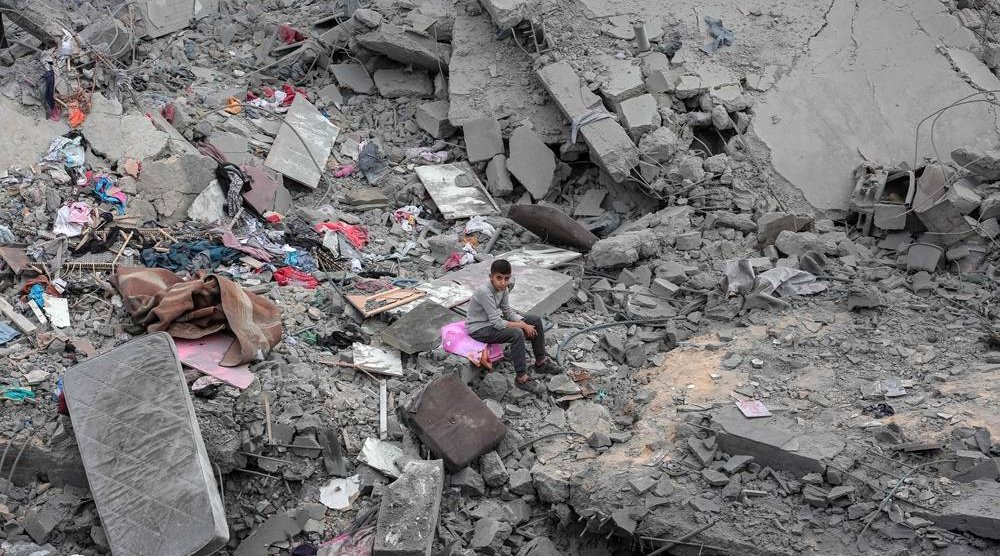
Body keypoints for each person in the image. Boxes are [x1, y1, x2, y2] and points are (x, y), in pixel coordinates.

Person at [466, 259, 560, 392]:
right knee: (517, 333)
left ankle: (541, 363)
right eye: (499, 278)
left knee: (535, 321)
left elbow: (507, 311)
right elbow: (497, 323)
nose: (503, 282)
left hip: (491, 323)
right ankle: (521, 378)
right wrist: (523, 326)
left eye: (506, 278)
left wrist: (523, 323)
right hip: (479, 329)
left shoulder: (503, 289)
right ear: (491, 277)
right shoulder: (485, 292)